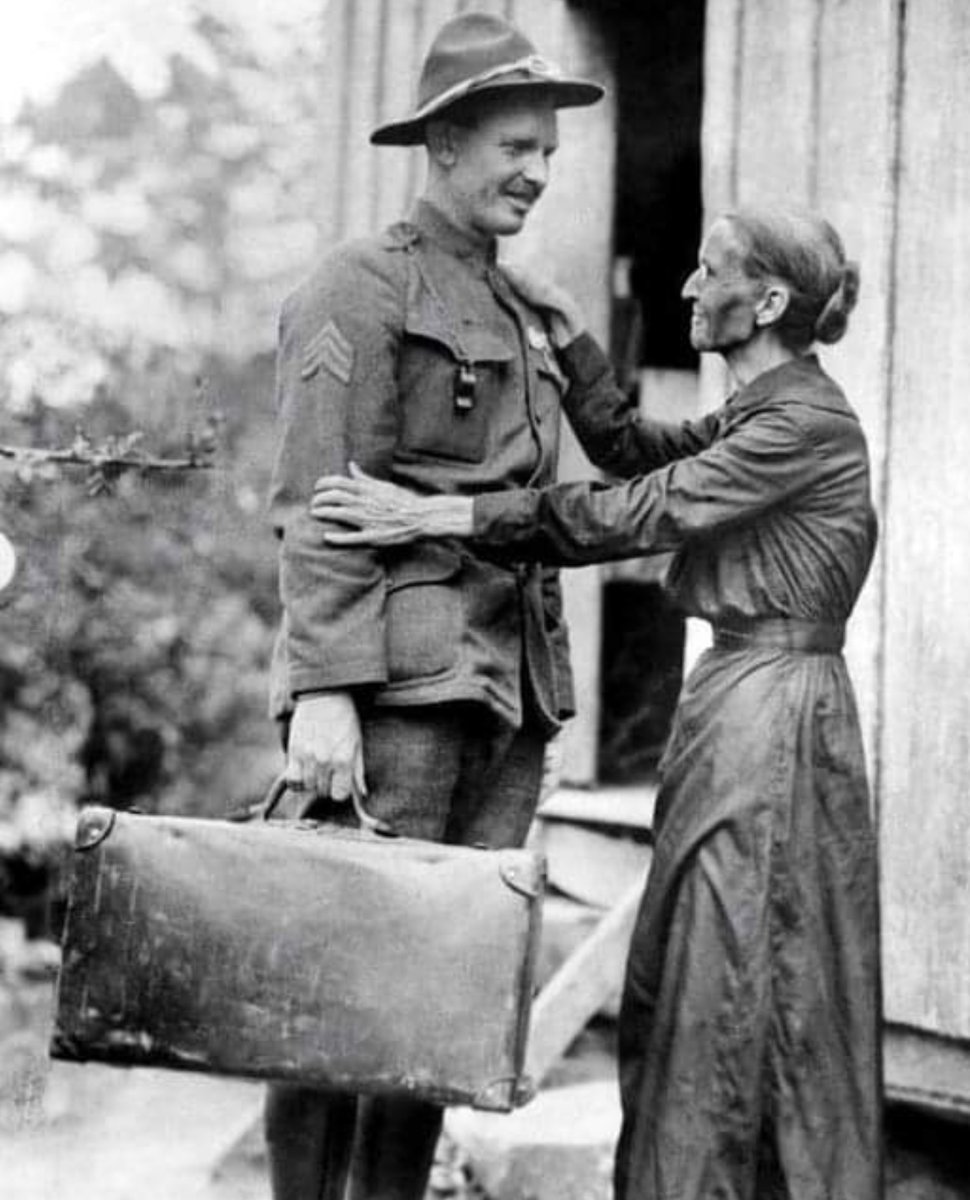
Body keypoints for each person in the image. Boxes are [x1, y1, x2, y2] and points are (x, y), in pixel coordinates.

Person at [311, 208, 883, 1199]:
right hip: (740, 704)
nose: (687, 290)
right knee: (703, 959)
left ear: (768, 302)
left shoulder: (803, 425)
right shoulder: (759, 414)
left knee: (740, 960)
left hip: (777, 720)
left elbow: (634, 512)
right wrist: (569, 330)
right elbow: (630, 449)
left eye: (708, 273)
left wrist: (441, 513)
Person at [264, 11, 606, 1199]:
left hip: (509, 695)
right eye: (516, 144)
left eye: (548, 152)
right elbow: (314, 500)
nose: (536, 170)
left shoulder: (523, 306)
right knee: (336, 982)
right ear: (446, 142)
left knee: (434, 1001)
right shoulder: (355, 287)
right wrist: (323, 696)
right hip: (397, 695)